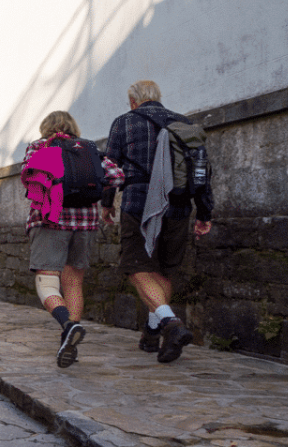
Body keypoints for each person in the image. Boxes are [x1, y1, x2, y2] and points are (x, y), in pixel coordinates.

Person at [102, 80, 213, 363]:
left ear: (133, 101)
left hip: (138, 203)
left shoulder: (124, 123)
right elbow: (201, 171)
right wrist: (203, 212)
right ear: (158, 98)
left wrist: (106, 204)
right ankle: (152, 333)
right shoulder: (183, 122)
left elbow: (110, 167)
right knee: (163, 269)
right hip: (178, 205)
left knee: (136, 266)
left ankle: (170, 323)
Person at [21, 111, 124, 368]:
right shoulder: (89, 148)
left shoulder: (39, 146)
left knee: (47, 281)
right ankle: (69, 341)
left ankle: (67, 324)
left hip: (50, 220)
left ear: (46, 127)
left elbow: (28, 172)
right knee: (74, 283)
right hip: (86, 223)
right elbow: (118, 176)